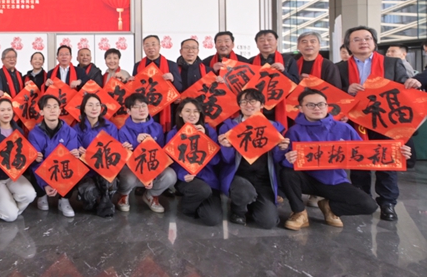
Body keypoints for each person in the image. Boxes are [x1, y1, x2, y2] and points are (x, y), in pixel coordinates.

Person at [336, 25, 422, 221]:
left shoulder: (392, 63)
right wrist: (346, 89)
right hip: (356, 122)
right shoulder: (339, 67)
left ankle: (387, 202)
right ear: (349, 45)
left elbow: (403, 85)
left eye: (367, 38)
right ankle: (362, 198)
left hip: (386, 121)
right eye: (357, 39)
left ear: (374, 42)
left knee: (387, 161)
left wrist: (412, 83)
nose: (363, 42)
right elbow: (334, 93)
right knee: (359, 160)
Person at [277, 88, 395, 230]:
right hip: (307, 179)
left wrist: (397, 153)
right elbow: (283, 160)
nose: (317, 108)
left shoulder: (344, 128)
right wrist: (288, 159)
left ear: (327, 106)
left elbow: (365, 154)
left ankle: (330, 207)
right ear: (301, 109)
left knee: (368, 205)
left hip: (335, 180)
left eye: (321, 104)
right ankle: (299, 212)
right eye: (310, 105)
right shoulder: (294, 131)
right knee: (287, 173)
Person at [216, 89, 284, 229]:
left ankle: (252, 203)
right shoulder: (229, 127)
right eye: (244, 101)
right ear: (239, 105)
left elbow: (278, 159)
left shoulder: (273, 127)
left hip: (263, 178)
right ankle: (238, 210)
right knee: (244, 191)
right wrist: (226, 147)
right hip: (238, 175)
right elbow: (227, 160)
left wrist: (281, 148)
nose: (248, 105)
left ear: (262, 105)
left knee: (268, 222)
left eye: (253, 101)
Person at [0, 98, 38, 222]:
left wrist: (34, 157)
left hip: (13, 175)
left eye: (9, 110)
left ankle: (9, 205)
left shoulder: (18, 131)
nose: (6, 113)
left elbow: (23, 154)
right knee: (10, 217)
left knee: (30, 195)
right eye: (2, 110)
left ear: (12, 112)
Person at [116, 94, 177, 214]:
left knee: (170, 175)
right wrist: (135, 144)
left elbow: (160, 155)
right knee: (127, 177)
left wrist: (151, 174)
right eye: (136, 107)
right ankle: (123, 195)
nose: (141, 109)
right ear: (128, 111)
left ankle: (151, 195)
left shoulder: (157, 128)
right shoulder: (123, 130)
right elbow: (124, 159)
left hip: (152, 166)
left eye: (143, 106)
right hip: (132, 169)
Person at [169, 99, 222, 226]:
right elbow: (171, 162)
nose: (192, 115)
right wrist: (183, 175)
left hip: (208, 179)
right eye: (187, 111)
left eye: (196, 111)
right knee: (202, 190)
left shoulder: (210, 131)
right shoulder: (174, 133)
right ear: (180, 113)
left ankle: (198, 201)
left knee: (213, 219)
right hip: (187, 178)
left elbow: (216, 161)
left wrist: (204, 139)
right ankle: (187, 208)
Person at [27, 94, 79, 217]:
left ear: (60, 110)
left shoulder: (70, 132)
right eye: (48, 107)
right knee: (34, 162)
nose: (52, 110)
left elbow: (68, 159)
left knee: (74, 164)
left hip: (61, 169)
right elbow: (37, 163)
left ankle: (64, 199)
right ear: (41, 112)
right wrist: (45, 184)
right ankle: (41, 195)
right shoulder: (34, 134)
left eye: (55, 106)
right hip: (45, 170)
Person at [73, 93, 119, 217]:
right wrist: (78, 151)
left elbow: (116, 150)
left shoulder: (110, 127)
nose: (94, 108)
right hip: (87, 171)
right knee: (88, 193)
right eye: (90, 105)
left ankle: (105, 201)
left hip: (105, 169)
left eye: (97, 105)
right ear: (83, 109)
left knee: (110, 182)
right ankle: (93, 201)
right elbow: (74, 150)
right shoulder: (77, 129)